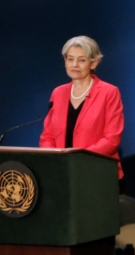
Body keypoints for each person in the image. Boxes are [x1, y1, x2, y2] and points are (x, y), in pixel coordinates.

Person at [40, 36, 125, 178]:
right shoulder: (58, 93)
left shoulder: (109, 92)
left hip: (96, 173)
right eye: (70, 59)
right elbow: (47, 136)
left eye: (82, 60)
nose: (74, 65)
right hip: (61, 172)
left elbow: (111, 139)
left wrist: (79, 160)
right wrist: (53, 158)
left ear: (93, 63)